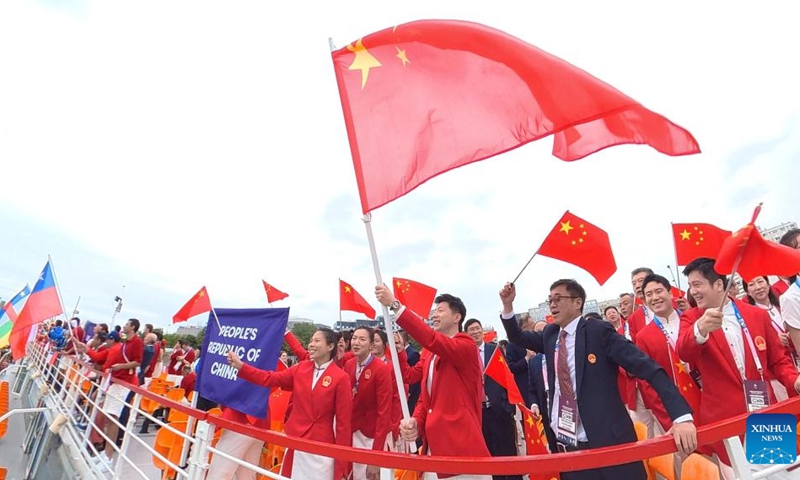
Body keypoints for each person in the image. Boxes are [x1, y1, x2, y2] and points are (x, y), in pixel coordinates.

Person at [499, 280, 696, 480]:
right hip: (569, 444)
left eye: (558, 299)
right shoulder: (550, 334)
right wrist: (508, 306)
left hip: (609, 443)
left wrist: (681, 417)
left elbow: (648, 369)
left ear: (577, 303)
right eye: (550, 300)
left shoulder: (598, 332)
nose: (552, 304)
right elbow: (517, 337)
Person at [676, 257, 799, 477]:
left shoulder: (756, 314)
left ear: (719, 285)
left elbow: (778, 360)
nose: (693, 291)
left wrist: (794, 379)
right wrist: (701, 329)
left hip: (765, 411)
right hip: (725, 421)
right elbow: (684, 351)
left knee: (781, 473)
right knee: (739, 475)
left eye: (697, 284)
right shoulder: (692, 318)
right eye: (690, 286)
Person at [375, 285, 490, 480]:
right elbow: (420, 390)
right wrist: (415, 422)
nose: (435, 315)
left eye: (440, 310)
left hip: (460, 450)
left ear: (457, 317)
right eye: (434, 311)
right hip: (433, 449)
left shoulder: (465, 346)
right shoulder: (429, 353)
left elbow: (431, 339)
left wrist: (396, 305)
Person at [227, 327, 352, 480]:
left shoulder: (341, 378)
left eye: (317, 341)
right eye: (311, 340)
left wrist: (342, 465)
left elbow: (343, 424)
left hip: (321, 447)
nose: (311, 344)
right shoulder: (301, 368)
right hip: (295, 440)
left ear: (330, 346)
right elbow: (269, 378)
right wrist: (242, 367)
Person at [465, 318, 522, 480]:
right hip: (480, 412)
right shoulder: (466, 353)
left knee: (508, 451)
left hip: (499, 408)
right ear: (466, 334)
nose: (475, 332)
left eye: (477, 328)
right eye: (471, 330)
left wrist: (508, 405)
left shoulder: (494, 350)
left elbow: (506, 376)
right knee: (490, 454)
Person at [344, 326, 393, 480]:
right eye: (354, 338)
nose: (356, 343)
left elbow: (384, 412)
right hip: (352, 432)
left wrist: (376, 456)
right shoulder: (350, 364)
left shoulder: (381, 369)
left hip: (372, 436)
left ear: (372, 345)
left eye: (362, 339)